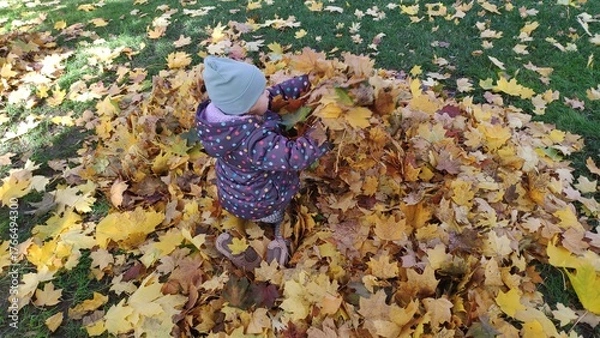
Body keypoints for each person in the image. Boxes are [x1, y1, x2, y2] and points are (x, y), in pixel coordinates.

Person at [195, 56, 330, 269]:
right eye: (261, 92)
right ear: (247, 107)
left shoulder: (225, 123)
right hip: (262, 201)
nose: (267, 92)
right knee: (283, 212)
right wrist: (322, 133)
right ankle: (276, 240)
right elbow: (293, 156)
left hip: (234, 194)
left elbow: (275, 95)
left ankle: (239, 234)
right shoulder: (253, 143)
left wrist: (307, 80)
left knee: (253, 204)